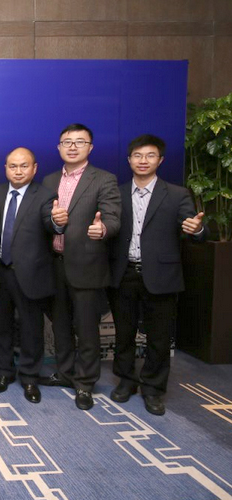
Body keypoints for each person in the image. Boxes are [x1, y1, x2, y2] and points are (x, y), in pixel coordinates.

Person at [107, 134, 206, 416]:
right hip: (124, 273)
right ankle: (126, 381)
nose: (143, 161)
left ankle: (152, 388)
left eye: (150, 156)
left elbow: (196, 231)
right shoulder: (117, 193)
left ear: (160, 160)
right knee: (123, 333)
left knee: (159, 338)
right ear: (129, 160)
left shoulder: (176, 194)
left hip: (161, 276)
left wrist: (197, 229)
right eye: (138, 156)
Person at [40, 123, 121, 411]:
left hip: (87, 265)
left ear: (90, 147)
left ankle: (85, 382)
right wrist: (53, 222)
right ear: (59, 147)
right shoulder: (49, 181)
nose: (72, 146)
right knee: (60, 325)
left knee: (86, 328)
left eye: (80, 142)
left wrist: (103, 229)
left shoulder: (104, 179)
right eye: (67, 142)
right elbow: (43, 219)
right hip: (55, 264)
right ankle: (65, 372)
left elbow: (112, 218)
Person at [0, 147, 57, 404]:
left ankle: (29, 377)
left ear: (34, 168)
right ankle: (4, 372)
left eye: (24, 166)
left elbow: (51, 224)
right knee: (1, 326)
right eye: (13, 166)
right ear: (5, 168)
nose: (18, 171)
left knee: (31, 328)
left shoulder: (45, 195)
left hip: (29, 274)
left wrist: (58, 222)